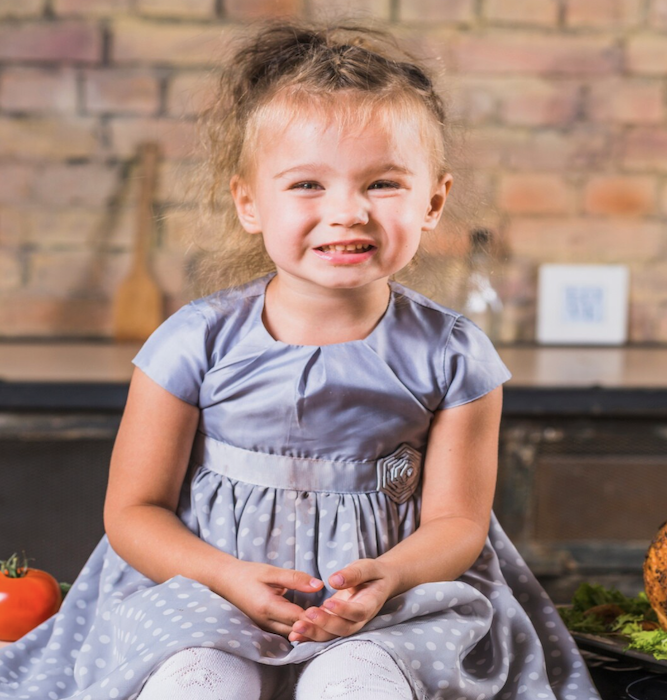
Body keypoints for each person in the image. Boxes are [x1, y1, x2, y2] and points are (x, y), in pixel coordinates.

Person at [0, 22, 601, 700]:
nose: (346, 212)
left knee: (358, 684)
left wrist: (391, 577)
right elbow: (134, 511)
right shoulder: (191, 343)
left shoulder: (455, 355)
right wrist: (226, 577)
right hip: (204, 592)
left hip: (388, 605)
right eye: (308, 184)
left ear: (433, 200)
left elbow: (457, 524)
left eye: (382, 184)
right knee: (195, 685)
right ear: (250, 202)